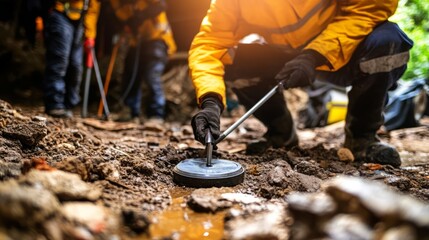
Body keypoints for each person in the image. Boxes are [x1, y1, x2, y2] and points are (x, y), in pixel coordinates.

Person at [189, 0, 413, 167]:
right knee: (236, 61)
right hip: (284, 57)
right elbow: (210, 44)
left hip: (342, 53)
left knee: (388, 42)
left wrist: (315, 55)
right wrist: (210, 100)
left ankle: (362, 139)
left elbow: (370, 7)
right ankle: (281, 133)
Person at [110, 0, 176, 122]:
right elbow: (119, 17)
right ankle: (131, 112)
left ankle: (156, 114)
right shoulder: (121, 4)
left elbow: (161, 5)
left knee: (152, 76)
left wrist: (142, 15)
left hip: (158, 40)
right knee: (130, 74)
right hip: (137, 43)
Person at [43, 0, 100, 118]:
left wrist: (90, 34)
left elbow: (93, 9)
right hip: (61, 15)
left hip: (80, 21)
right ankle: (55, 103)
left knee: (76, 65)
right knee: (60, 61)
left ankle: (69, 104)